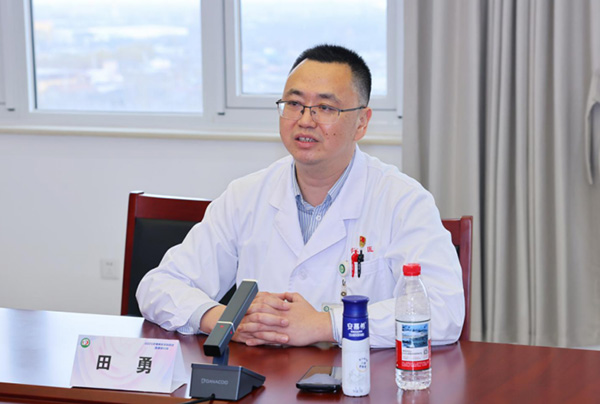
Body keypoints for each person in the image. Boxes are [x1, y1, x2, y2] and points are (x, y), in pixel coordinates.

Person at [136, 44, 465, 348]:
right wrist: (224, 319)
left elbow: (443, 311)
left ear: (362, 122)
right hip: (264, 376)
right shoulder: (245, 195)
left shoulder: (403, 201)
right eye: (294, 104)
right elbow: (158, 286)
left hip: (359, 377)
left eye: (325, 107)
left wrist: (327, 324)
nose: (305, 120)